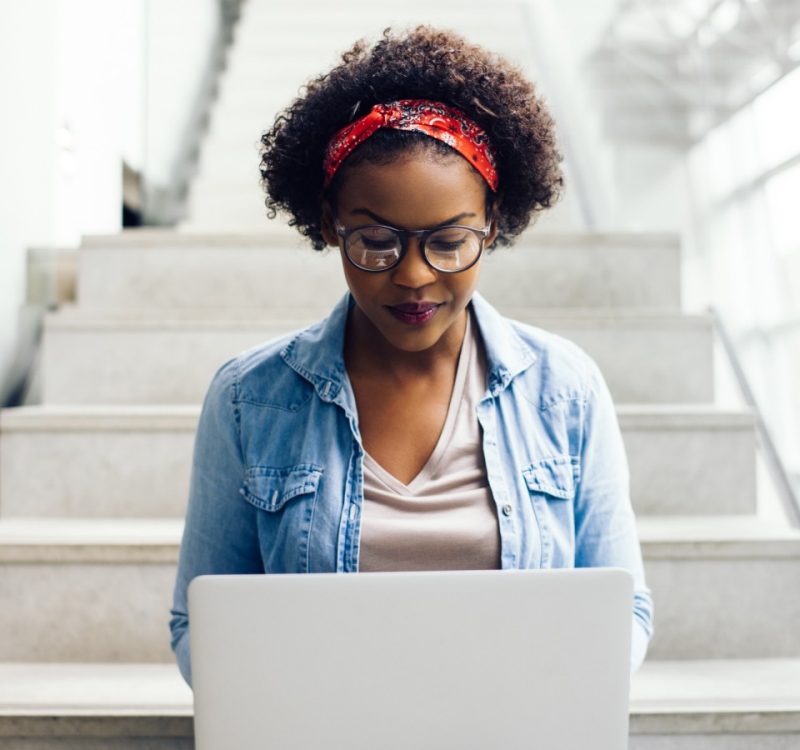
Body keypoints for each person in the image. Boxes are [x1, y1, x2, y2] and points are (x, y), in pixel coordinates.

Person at [169, 25, 653, 688]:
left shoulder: (564, 389)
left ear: (492, 223)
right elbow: (200, 623)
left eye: (450, 242)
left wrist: (553, 700)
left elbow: (624, 610)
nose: (415, 277)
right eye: (376, 241)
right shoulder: (250, 398)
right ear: (330, 223)